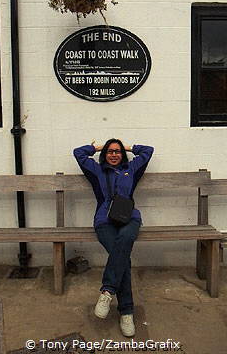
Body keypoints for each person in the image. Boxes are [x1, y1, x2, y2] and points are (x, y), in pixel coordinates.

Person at [73, 139, 154, 337]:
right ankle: (126, 312)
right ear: (104, 154)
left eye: (117, 151)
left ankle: (107, 292)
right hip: (104, 220)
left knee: (124, 244)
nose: (114, 154)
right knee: (123, 260)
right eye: (110, 151)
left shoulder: (132, 168)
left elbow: (148, 151)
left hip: (129, 218)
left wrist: (128, 147)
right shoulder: (97, 170)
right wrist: (97, 147)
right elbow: (78, 153)